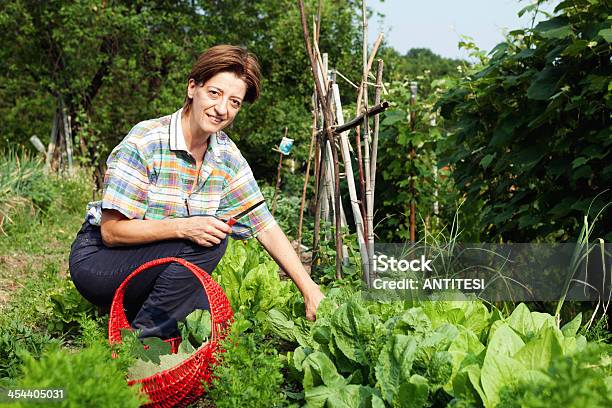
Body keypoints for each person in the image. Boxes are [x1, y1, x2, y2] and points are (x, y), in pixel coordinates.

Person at [68, 45, 324, 339]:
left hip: (156, 268)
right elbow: (112, 233)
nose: (222, 109)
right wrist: (185, 227)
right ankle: (141, 348)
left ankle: (147, 323)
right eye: (214, 93)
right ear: (193, 87)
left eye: (234, 102)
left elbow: (263, 226)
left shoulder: (226, 157)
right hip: (101, 263)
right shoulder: (147, 140)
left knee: (212, 327)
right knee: (212, 240)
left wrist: (309, 289)